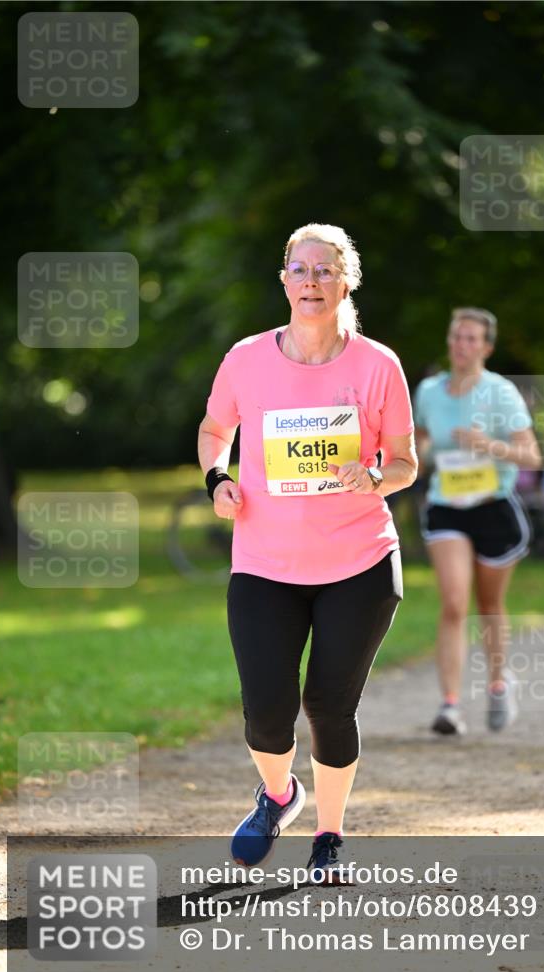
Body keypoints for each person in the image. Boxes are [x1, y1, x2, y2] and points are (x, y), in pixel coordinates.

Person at [197, 223, 417, 881]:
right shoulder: (245, 359)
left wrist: (375, 476)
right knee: (266, 709)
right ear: (284, 280)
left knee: (327, 704)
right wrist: (219, 478)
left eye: (325, 270)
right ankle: (277, 794)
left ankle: (328, 837)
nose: (312, 281)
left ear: (344, 282)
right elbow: (214, 430)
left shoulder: (378, 365)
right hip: (265, 563)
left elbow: (405, 461)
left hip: (359, 562)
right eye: (300, 269)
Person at [413, 307, 542, 736]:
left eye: (471, 339)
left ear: (486, 347)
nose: (461, 345)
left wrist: (490, 445)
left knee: (488, 606)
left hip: (493, 507)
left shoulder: (501, 393)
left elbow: (532, 455)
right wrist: (422, 450)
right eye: (456, 336)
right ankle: (450, 705)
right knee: (454, 603)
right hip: (447, 504)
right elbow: (419, 441)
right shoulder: (429, 391)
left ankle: (499, 683)